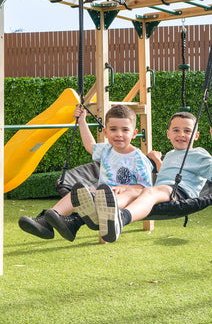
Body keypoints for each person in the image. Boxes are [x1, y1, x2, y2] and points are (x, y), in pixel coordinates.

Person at [73, 111, 212, 243]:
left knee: (148, 191)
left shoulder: (198, 153)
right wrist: (157, 160)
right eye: (176, 130)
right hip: (161, 191)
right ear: (168, 134)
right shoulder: (170, 155)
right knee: (128, 193)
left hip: (180, 193)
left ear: (196, 135)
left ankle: (121, 219)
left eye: (187, 131)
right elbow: (165, 175)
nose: (181, 134)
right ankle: (97, 214)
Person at [18, 104, 153, 242]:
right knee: (78, 192)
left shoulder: (139, 159)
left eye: (125, 130)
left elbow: (146, 188)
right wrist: (82, 121)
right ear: (105, 132)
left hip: (121, 200)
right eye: (113, 129)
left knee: (107, 199)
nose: (119, 134)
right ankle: (46, 221)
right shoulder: (106, 150)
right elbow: (90, 145)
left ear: (134, 133)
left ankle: (74, 222)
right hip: (101, 195)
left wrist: (125, 188)